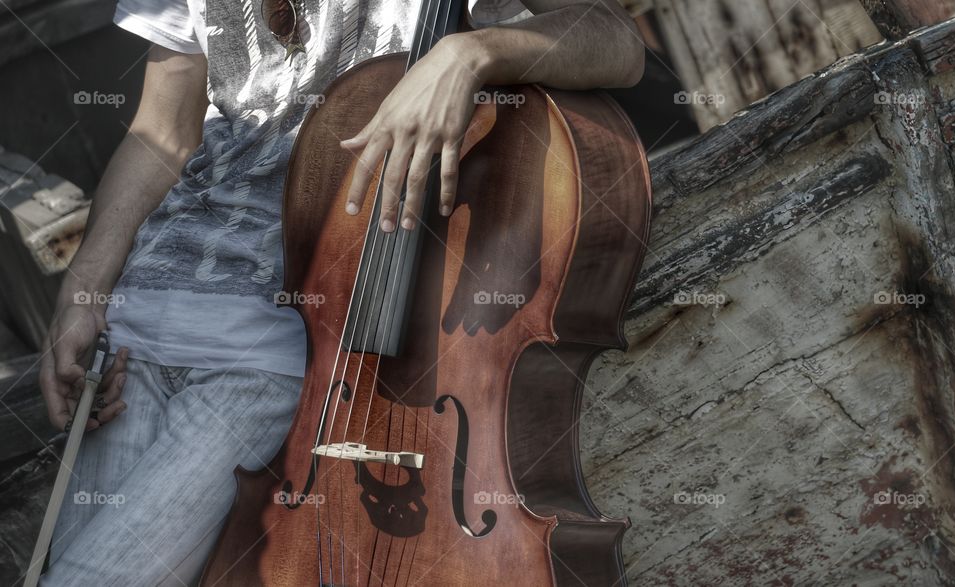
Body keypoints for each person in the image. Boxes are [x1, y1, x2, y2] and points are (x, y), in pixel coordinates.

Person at [37, 0, 645, 584]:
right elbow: (161, 135)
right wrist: (84, 293)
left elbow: (616, 43)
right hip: (134, 339)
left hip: (274, 349)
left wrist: (471, 54)